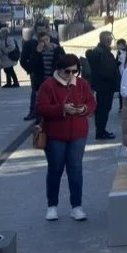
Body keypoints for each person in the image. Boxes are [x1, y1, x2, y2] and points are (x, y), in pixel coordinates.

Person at [35, 54, 96, 222]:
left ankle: (76, 206)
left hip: (78, 133)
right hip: (56, 135)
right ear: (59, 70)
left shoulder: (82, 84)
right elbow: (41, 108)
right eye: (67, 71)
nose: (71, 75)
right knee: (55, 169)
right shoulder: (48, 85)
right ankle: (52, 206)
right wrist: (62, 109)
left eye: (74, 71)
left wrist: (84, 109)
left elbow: (92, 102)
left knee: (75, 169)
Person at [85, 31, 121, 140]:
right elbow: (104, 70)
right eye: (109, 40)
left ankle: (101, 130)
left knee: (103, 109)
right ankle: (100, 132)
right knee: (103, 109)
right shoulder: (101, 52)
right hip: (104, 86)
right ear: (106, 40)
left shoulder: (101, 51)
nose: (111, 42)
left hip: (103, 85)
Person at [22, 30, 65, 121]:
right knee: (40, 101)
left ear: (50, 39)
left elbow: (64, 61)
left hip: (54, 80)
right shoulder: (37, 51)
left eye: (46, 40)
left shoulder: (56, 49)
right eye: (42, 40)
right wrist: (37, 52)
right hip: (41, 81)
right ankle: (38, 120)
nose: (45, 42)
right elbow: (32, 65)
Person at [115, 39, 127, 112]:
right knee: (121, 91)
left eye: (118, 45)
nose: (117, 47)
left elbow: (118, 62)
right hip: (121, 73)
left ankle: (124, 106)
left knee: (124, 90)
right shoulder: (119, 52)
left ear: (122, 45)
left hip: (124, 73)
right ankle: (121, 106)